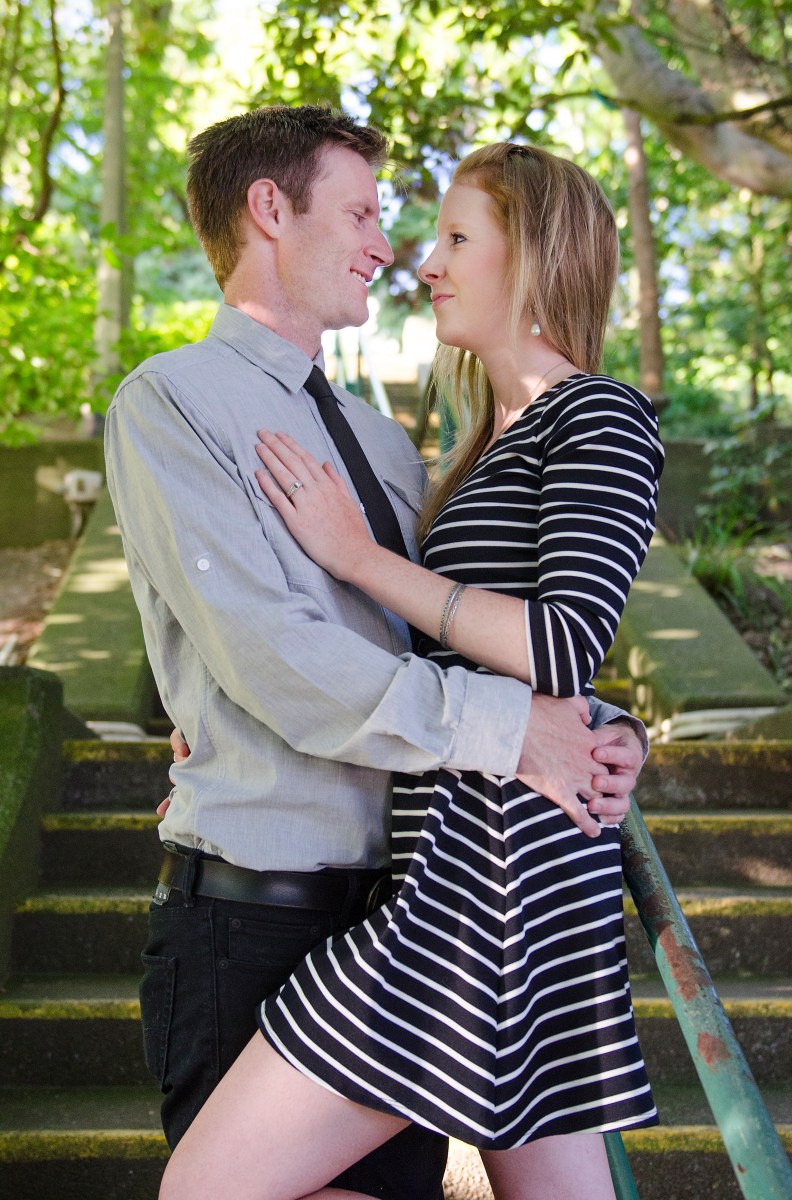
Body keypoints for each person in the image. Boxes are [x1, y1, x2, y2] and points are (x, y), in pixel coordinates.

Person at [104, 106, 648, 1200]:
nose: (395, 249)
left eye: (447, 236)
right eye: (363, 211)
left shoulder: (392, 443)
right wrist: (523, 730)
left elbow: (517, 637)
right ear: (270, 209)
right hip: (261, 910)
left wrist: (593, 727)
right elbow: (271, 660)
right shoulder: (174, 402)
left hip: (427, 886)